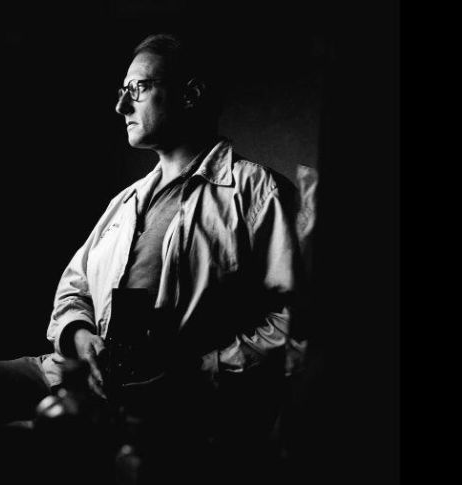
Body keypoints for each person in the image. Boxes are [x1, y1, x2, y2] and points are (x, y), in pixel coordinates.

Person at [36, 33, 304, 483]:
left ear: (191, 94)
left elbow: (292, 322)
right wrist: (81, 337)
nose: (121, 106)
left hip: (170, 413)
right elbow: (73, 289)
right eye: (121, 91)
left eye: (137, 89)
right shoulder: (125, 202)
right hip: (73, 377)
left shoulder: (259, 193)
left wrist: (195, 373)